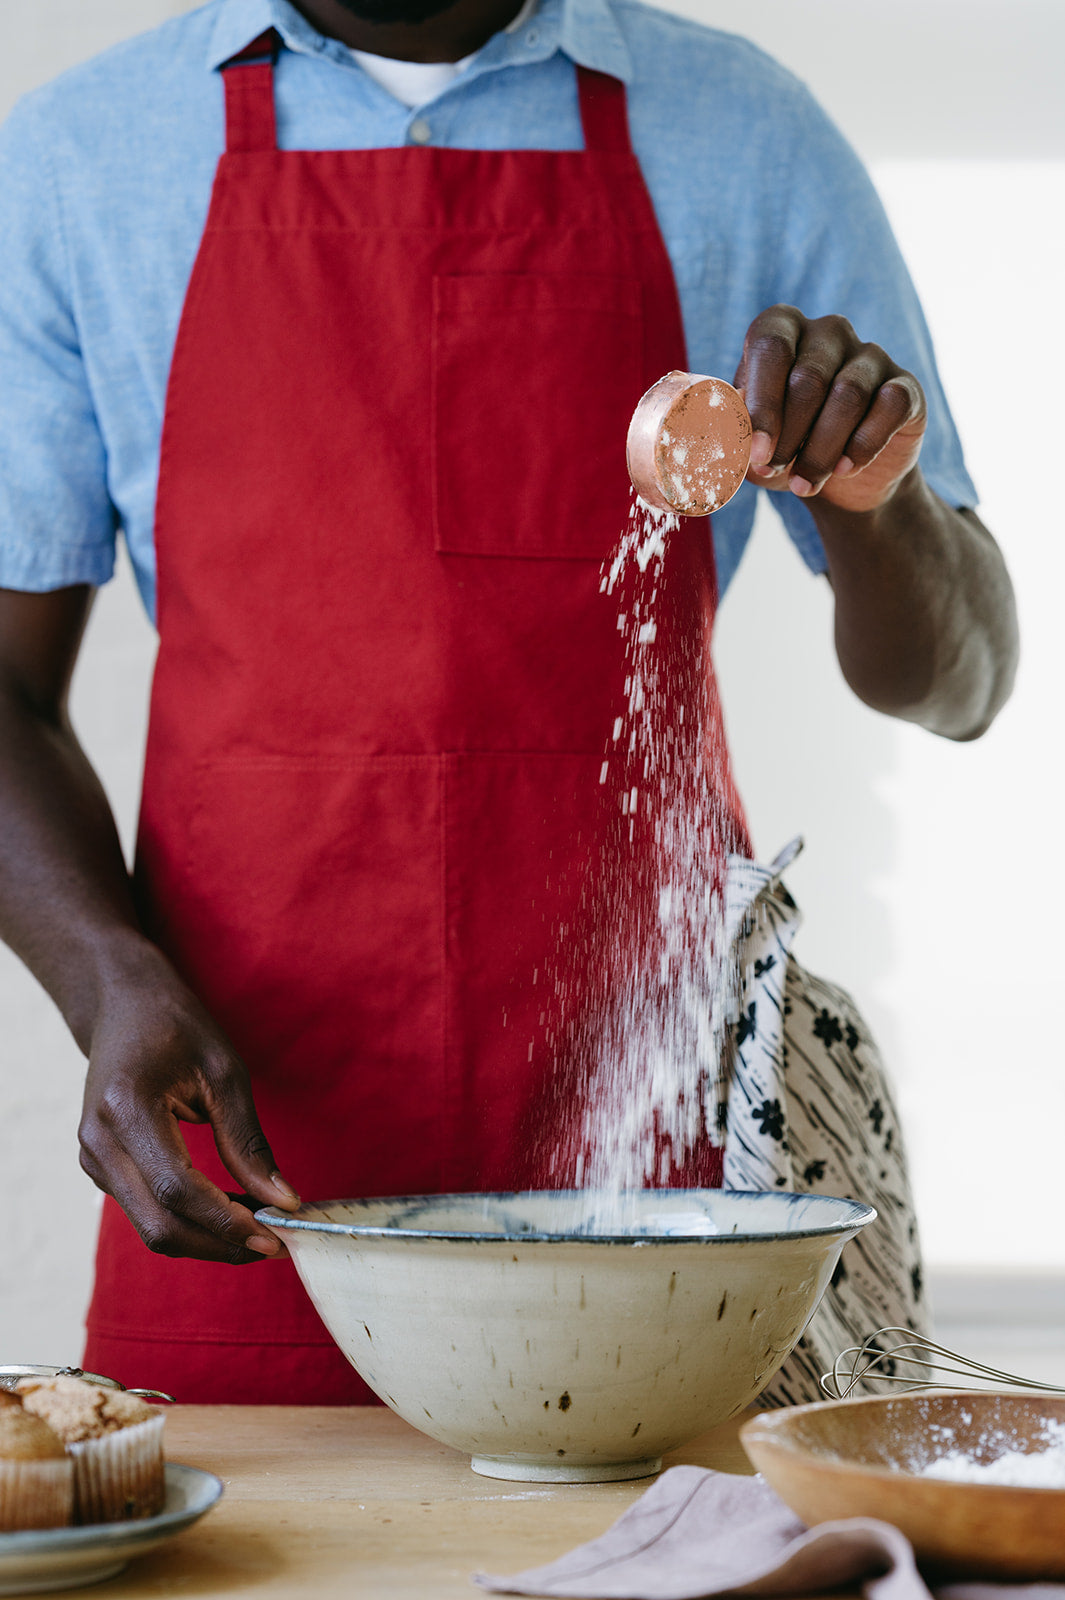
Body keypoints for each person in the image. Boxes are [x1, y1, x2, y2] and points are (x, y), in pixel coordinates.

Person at [0, 0, 1017, 1406]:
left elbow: (963, 680)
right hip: (252, 1169)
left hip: (653, 1171)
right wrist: (101, 977)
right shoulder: (80, 158)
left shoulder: (746, 133)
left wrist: (871, 496)